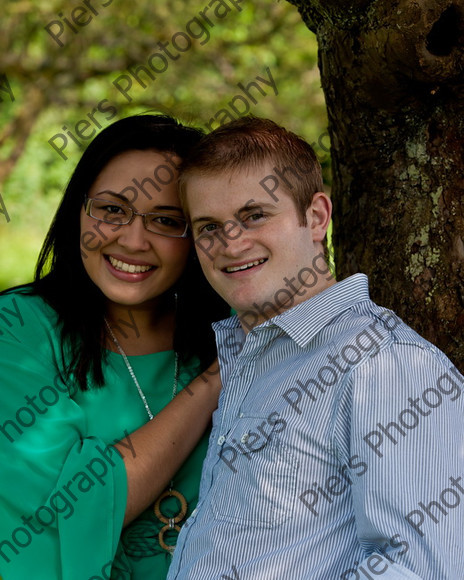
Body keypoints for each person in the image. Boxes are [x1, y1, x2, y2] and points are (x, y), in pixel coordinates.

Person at [167, 116, 464, 579]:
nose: (230, 243)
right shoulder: (252, 359)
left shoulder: (385, 363)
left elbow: (419, 568)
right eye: (208, 226)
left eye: (254, 215)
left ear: (316, 217)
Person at [0, 114, 229, 580]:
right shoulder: (17, 330)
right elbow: (76, 504)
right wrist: (213, 383)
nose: (133, 239)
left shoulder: (221, 334)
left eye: (167, 220)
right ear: (77, 211)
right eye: (111, 209)